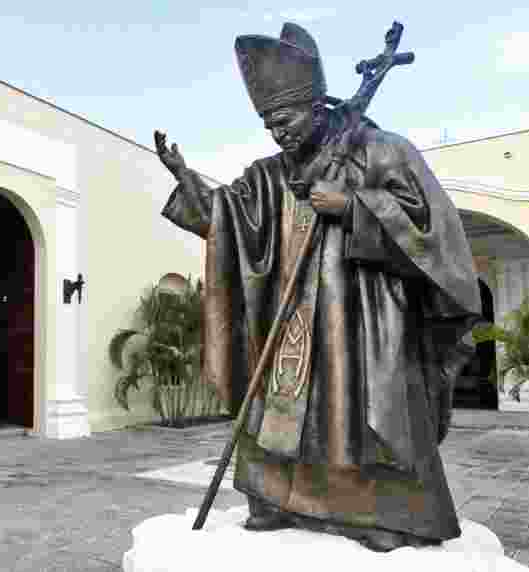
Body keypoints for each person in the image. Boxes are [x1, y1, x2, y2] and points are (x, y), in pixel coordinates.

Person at [155, 22, 482, 551]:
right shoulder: (269, 175)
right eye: (268, 125)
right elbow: (229, 216)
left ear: (315, 105)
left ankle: (383, 514)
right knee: (283, 409)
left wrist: (355, 208)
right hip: (294, 322)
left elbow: (433, 230)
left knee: (362, 413)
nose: (278, 134)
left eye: (283, 121)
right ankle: (279, 499)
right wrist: (184, 176)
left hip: (365, 318)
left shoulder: (381, 151)